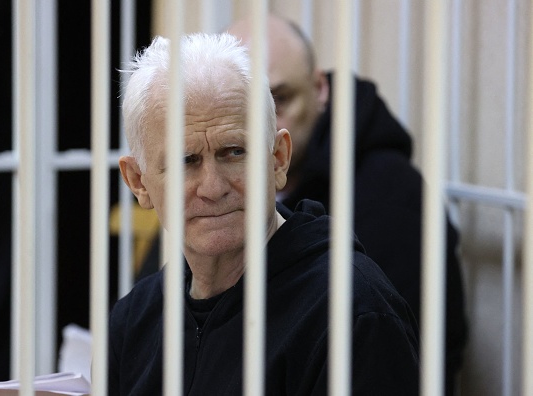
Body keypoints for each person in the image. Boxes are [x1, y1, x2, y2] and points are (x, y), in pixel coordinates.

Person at [108, 32, 419, 395]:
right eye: (185, 161)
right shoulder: (133, 321)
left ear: (277, 159)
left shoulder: (352, 314)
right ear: (138, 182)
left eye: (234, 152)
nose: (212, 187)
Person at [227, 14, 468, 395]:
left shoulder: (390, 197)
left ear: (320, 89)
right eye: (240, 108)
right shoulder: (221, 184)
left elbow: (395, 359)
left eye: (279, 99)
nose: (263, 125)